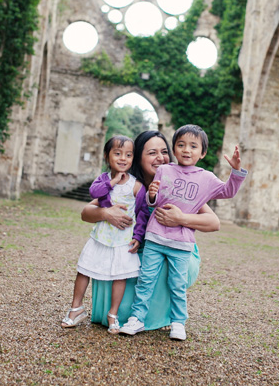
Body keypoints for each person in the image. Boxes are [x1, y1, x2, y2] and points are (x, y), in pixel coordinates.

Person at [81, 130, 220, 331]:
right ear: (138, 157)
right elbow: (86, 212)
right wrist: (106, 213)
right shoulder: (127, 183)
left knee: (160, 265)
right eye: (152, 152)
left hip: (175, 250)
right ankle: (130, 315)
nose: (160, 158)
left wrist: (181, 218)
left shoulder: (179, 183)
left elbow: (214, 222)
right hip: (138, 251)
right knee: (118, 267)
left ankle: (164, 317)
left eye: (164, 151)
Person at [120, 124, 246, 341]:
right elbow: (156, 202)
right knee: (146, 280)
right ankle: (137, 318)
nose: (187, 150)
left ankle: (178, 323)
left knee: (177, 285)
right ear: (175, 149)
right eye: (181, 145)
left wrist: (235, 172)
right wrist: (151, 196)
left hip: (181, 244)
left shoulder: (206, 178)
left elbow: (228, 191)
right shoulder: (165, 170)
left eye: (193, 146)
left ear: (203, 153)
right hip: (155, 239)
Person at [61, 135, 148, 334]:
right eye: (117, 154)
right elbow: (94, 192)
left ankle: (113, 314)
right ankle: (76, 308)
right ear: (107, 157)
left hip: (123, 240)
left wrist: (138, 236)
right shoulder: (104, 179)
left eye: (128, 155)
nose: (123, 158)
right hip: (101, 237)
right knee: (84, 269)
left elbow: (142, 213)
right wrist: (113, 182)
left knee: (120, 276)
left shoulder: (136, 186)